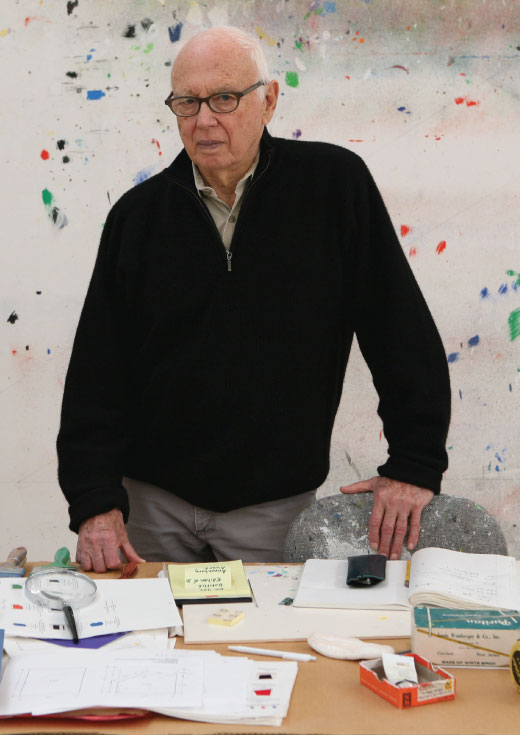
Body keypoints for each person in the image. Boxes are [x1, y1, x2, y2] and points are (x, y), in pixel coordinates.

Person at [57, 26, 451, 572]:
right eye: (186, 103)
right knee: (155, 649)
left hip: (274, 510)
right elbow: (97, 373)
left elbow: (399, 329)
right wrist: (95, 502)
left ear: (267, 100)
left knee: (275, 648)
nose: (204, 120)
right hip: (151, 507)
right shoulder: (136, 217)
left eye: (223, 98)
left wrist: (415, 463)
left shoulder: (333, 187)